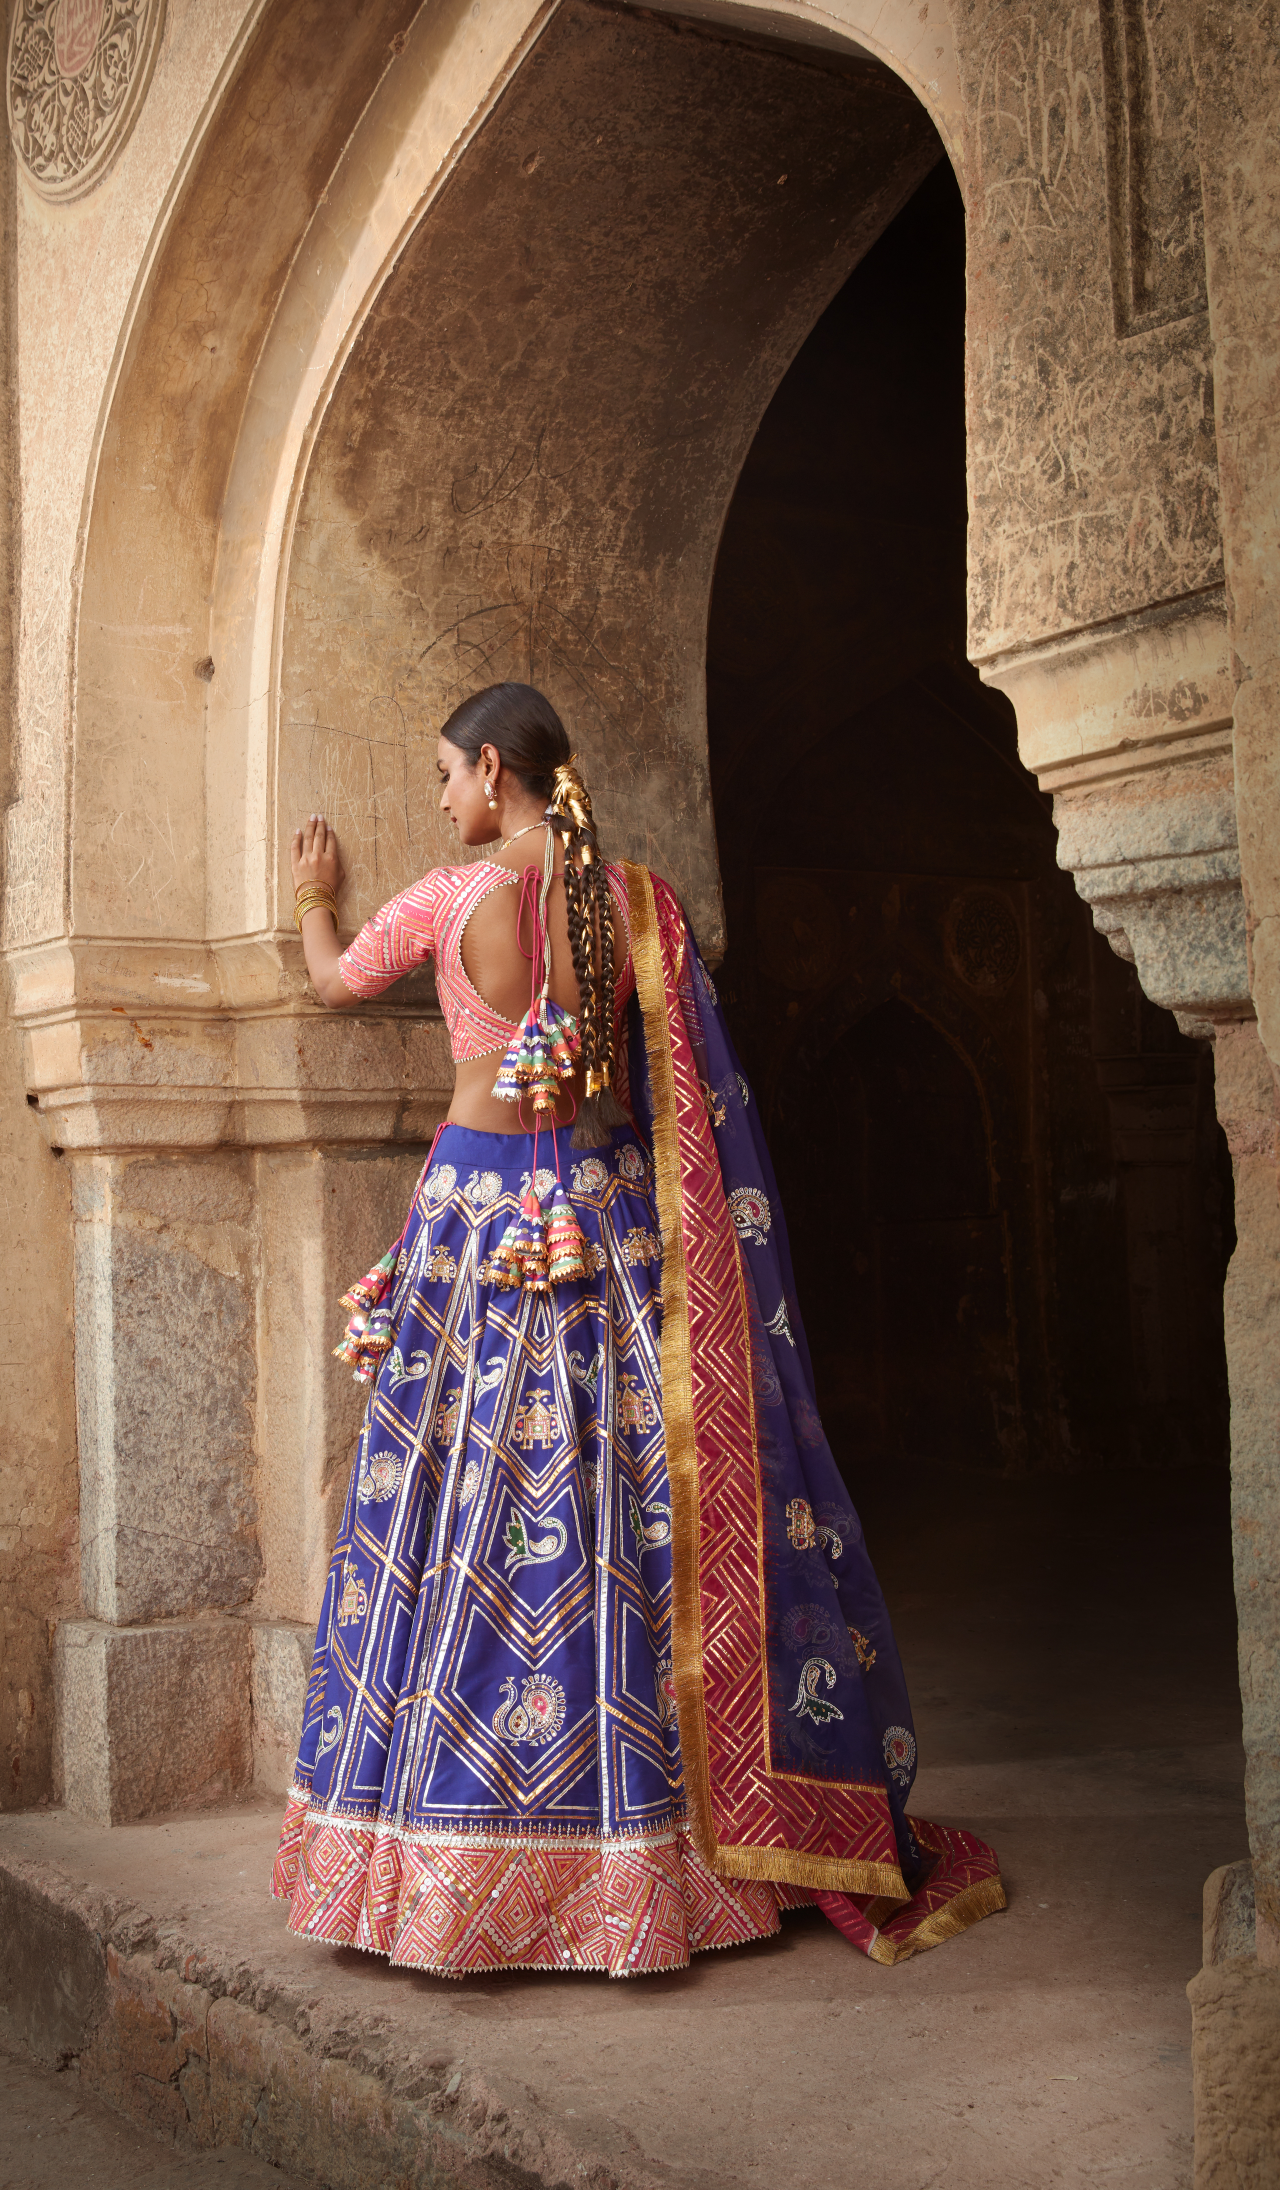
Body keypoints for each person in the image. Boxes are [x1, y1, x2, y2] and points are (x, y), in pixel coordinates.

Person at [272, 681, 1002, 1976]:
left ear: (493, 771)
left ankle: (451, 1852)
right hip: (606, 1228)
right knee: (623, 1509)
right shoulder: (632, 903)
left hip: (477, 1227)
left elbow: (333, 984)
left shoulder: (449, 904)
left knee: (459, 1513)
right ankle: (652, 1854)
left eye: (444, 774)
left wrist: (312, 895)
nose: (440, 799)